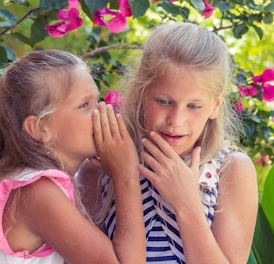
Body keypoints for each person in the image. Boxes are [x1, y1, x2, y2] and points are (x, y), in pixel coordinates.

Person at [77, 22, 258, 263]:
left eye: (194, 106)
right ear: (142, 93)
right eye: (163, 101)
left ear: (215, 105)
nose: (176, 120)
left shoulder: (231, 170)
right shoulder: (102, 167)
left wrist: (187, 203)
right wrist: (124, 176)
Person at [0, 49, 146, 264]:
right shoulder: (37, 192)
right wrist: (126, 174)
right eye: (84, 105)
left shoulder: (37, 185)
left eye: (98, 100)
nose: (102, 111)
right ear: (39, 128)